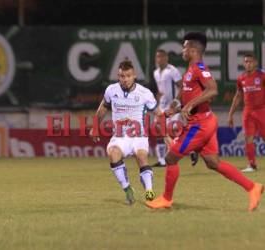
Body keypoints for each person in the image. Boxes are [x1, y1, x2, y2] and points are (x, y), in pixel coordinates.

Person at [146, 32, 263, 212]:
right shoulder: (190, 70)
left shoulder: (199, 67)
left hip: (199, 124)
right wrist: (174, 108)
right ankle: (252, 187)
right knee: (212, 162)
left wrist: (190, 104)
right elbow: (187, 96)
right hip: (205, 120)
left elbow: (213, 90)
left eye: (185, 47)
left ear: (193, 50)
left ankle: (166, 199)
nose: (183, 50)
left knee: (171, 157)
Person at [89, 60, 165, 205]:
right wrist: (95, 126)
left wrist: (166, 134)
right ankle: (127, 189)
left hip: (139, 135)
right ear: (118, 76)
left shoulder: (145, 93)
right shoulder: (111, 90)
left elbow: (158, 113)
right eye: (121, 76)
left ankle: (149, 190)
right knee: (112, 153)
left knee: (141, 157)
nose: (125, 79)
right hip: (119, 136)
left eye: (128, 76)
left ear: (134, 75)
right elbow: (103, 107)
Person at [152, 49, 198, 167]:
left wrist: (176, 101)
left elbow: (182, 87)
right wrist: (157, 101)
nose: (160, 59)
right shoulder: (156, 72)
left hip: (173, 106)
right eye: (158, 57)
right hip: (162, 106)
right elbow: (161, 90)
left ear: (166, 58)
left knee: (175, 131)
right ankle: (162, 160)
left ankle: (192, 150)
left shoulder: (172, 71)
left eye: (162, 57)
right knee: (158, 129)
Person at [228, 53, 265, 172]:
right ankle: (252, 165)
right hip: (248, 111)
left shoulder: (262, 76)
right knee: (248, 137)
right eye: (246, 62)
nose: (248, 64)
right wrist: (230, 114)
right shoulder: (241, 78)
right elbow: (238, 96)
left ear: (256, 63)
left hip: (262, 110)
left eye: (250, 61)